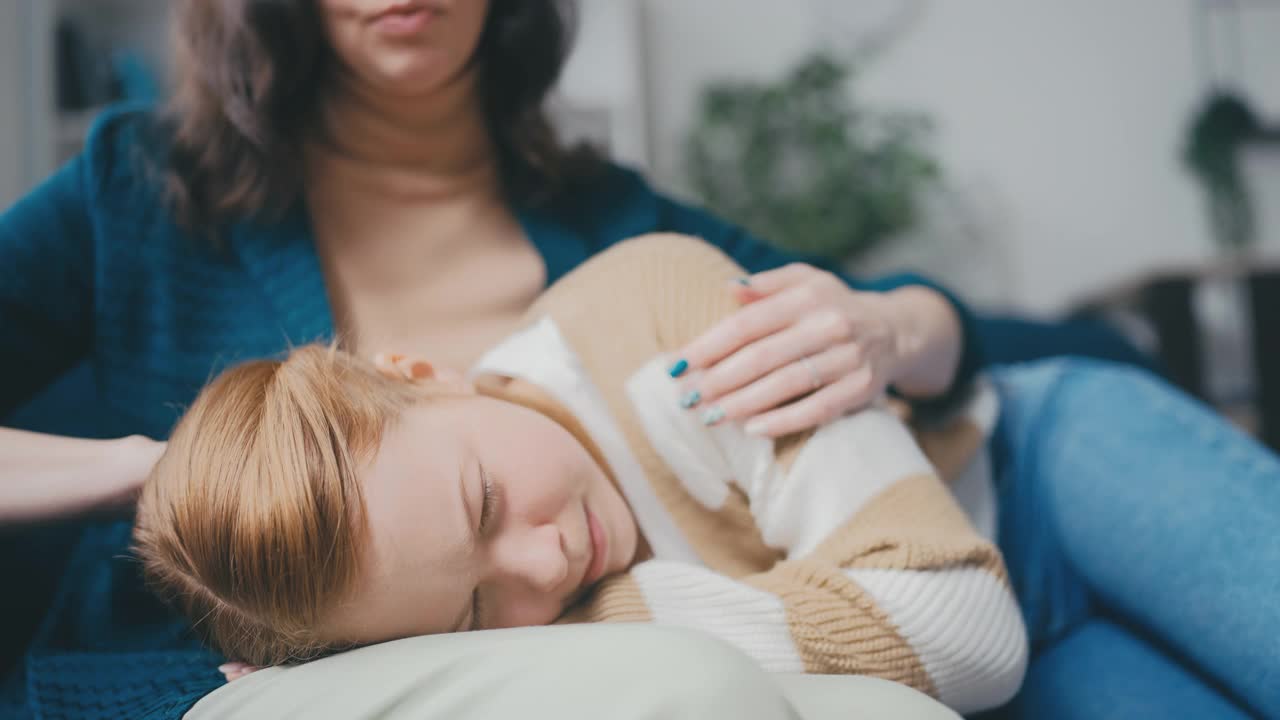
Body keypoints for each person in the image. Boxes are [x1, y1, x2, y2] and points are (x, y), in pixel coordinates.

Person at [0, 0, 1274, 718]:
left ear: (412, 373)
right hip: (870, 603)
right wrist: (133, 471)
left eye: (488, 505)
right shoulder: (138, 190)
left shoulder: (616, 231)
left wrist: (894, 325)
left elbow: (895, 324)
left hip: (1015, 475)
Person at [134, 234, 1030, 714]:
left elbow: (968, 631)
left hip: (1033, 471)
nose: (549, 561)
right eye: (475, 615)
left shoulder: (657, 324)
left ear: (421, 375)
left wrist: (608, 623)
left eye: (483, 505)